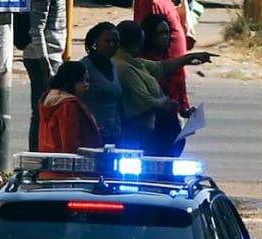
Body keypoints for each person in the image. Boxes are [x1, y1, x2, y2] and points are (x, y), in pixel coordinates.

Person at [113, 20, 212, 152]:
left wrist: (188, 58)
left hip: (157, 130)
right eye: (161, 33)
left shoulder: (135, 62)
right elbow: (145, 102)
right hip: (141, 133)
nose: (166, 37)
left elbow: (160, 68)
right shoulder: (124, 68)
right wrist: (167, 103)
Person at [140, 14, 190, 156]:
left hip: (173, 124)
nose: (165, 37)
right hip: (151, 124)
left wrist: (185, 110)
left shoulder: (175, 64)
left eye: (167, 33)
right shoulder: (143, 63)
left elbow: (181, 96)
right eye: (160, 33)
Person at [23, 0, 67, 151]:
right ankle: (37, 155)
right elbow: (36, 29)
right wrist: (46, 67)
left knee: (46, 111)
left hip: (50, 56)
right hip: (42, 58)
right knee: (42, 112)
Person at [38, 61, 102, 153]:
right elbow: (70, 141)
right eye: (81, 81)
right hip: (68, 162)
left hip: (49, 158)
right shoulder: (69, 105)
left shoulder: (49, 100)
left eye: (87, 80)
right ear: (69, 81)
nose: (86, 85)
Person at [79, 22, 124, 146]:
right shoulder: (84, 67)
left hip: (113, 136)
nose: (112, 45)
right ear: (95, 43)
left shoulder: (113, 66)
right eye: (107, 41)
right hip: (91, 136)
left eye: (115, 41)